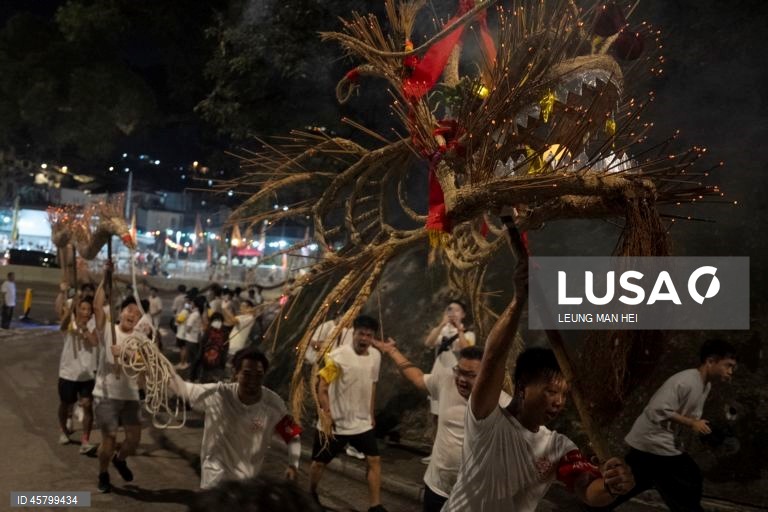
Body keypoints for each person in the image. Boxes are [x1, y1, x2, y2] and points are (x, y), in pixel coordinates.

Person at [442, 241, 634, 511]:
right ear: (522, 387)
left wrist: (612, 485)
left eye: (564, 394)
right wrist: (519, 300)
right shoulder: (486, 420)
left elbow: (588, 491)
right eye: (550, 391)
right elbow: (493, 359)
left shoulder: (557, 447)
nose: (559, 402)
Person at [375, 339, 507, 512]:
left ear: (488, 374)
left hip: (472, 495)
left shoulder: (503, 404)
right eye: (458, 371)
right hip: (437, 487)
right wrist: (392, 351)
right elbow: (417, 378)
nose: (460, 379)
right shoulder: (446, 380)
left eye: (470, 374)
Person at [614, 339, 737, 511]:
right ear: (710, 361)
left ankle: (595, 505)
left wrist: (705, 430)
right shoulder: (687, 381)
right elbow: (656, 409)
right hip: (653, 443)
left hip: (655, 445)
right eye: (728, 365)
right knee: (687, 481)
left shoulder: (705, 385)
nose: (730, 371)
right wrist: (693, 423)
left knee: (634, 481)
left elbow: (689, 417)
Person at [171, 348, 302, 489]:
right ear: (236, 374)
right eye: (246, 374)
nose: (252, 380)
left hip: (247, 484)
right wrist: (157, 363)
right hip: (214, 480)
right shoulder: (218, 394)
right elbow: (182, 388)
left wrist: (293, 465)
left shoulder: (273, 404)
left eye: (258, 375)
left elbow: (292, 435)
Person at [309, 315, 387, 512]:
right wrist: (327, 413)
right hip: (336, 423)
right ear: (354, 332)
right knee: (319, 463)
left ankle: (375, 506)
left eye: (369, 335)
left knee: (374, 460)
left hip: (361, 423)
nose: (364, 339)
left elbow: (373, 384)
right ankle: (310, 493)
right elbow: (322, 387)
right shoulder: (337, 356)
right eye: (361, 334)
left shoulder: (375, 356)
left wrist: (370, 413)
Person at [92, 272, 144, 493]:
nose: (132, 314)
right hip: (106, 395)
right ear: (120, 313)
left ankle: (119, 460)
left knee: (133, 441)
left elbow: (143, 364)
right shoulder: (109, 330)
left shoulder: (141, 339)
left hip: (130, 396)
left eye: (136, 312)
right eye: (128, 310)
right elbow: (97, 306)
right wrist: (106, 279)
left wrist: (124, 354)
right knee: (110, 438)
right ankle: (103, 474)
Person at [421, 300, 475, 463]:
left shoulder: (468, 333)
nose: (453, 313)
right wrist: (441, 324)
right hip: (438, 377)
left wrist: (459, 329)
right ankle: (435, 453)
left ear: (463, 314)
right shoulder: (442, 330)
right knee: (436, 418)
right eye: (450, 309)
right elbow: (428, 343)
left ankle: (453, 455)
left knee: (451, 417)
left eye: (457, 310)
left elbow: (467, 350)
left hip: (455, 381)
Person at [56, 296, 99, 455]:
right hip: (68, 372)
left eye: (89, 309)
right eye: (82, 309)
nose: (86, 312)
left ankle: (85, 441)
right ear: (77, 310)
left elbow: (95, 342)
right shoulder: (70, 322)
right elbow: (62, 326)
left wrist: (85, 329)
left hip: (87, 374)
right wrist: (70, 311)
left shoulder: (94, 324)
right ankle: (63, 430)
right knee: (65, 404)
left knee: (87, 405)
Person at [187, 476, 321, 512]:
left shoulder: (273, 408)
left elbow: (291, 433)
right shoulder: (215, 405)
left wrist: (293, 462)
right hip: (217, 483)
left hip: (251, 488)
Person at [198, 312, 230, 383]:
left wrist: (200, 358)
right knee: (217, 382)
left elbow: (202, 344)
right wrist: (223, 363)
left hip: (206, 360)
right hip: (219, 361)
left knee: (205, 381)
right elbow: (226, 348)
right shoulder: (225, 331)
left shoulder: (208, 330)